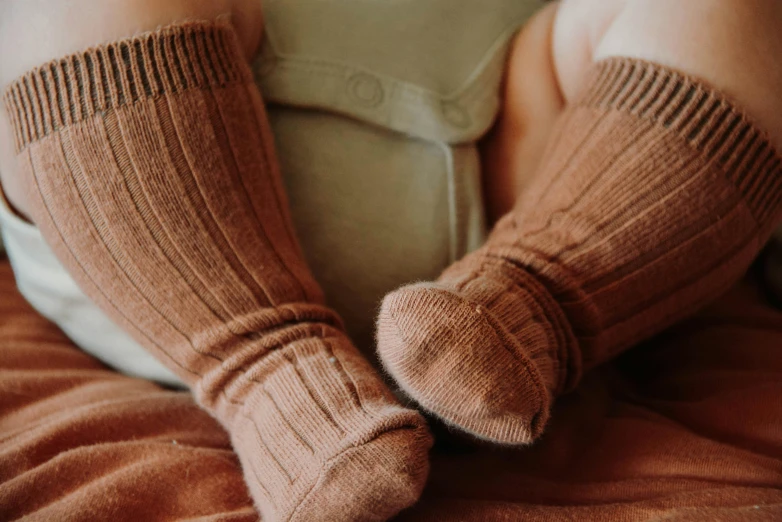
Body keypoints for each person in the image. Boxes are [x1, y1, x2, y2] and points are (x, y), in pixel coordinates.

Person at [0, 0, 780, 520]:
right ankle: (266, 367)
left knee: (727, 12)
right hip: (161, 230)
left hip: (528, 169)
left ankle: (530, 310)